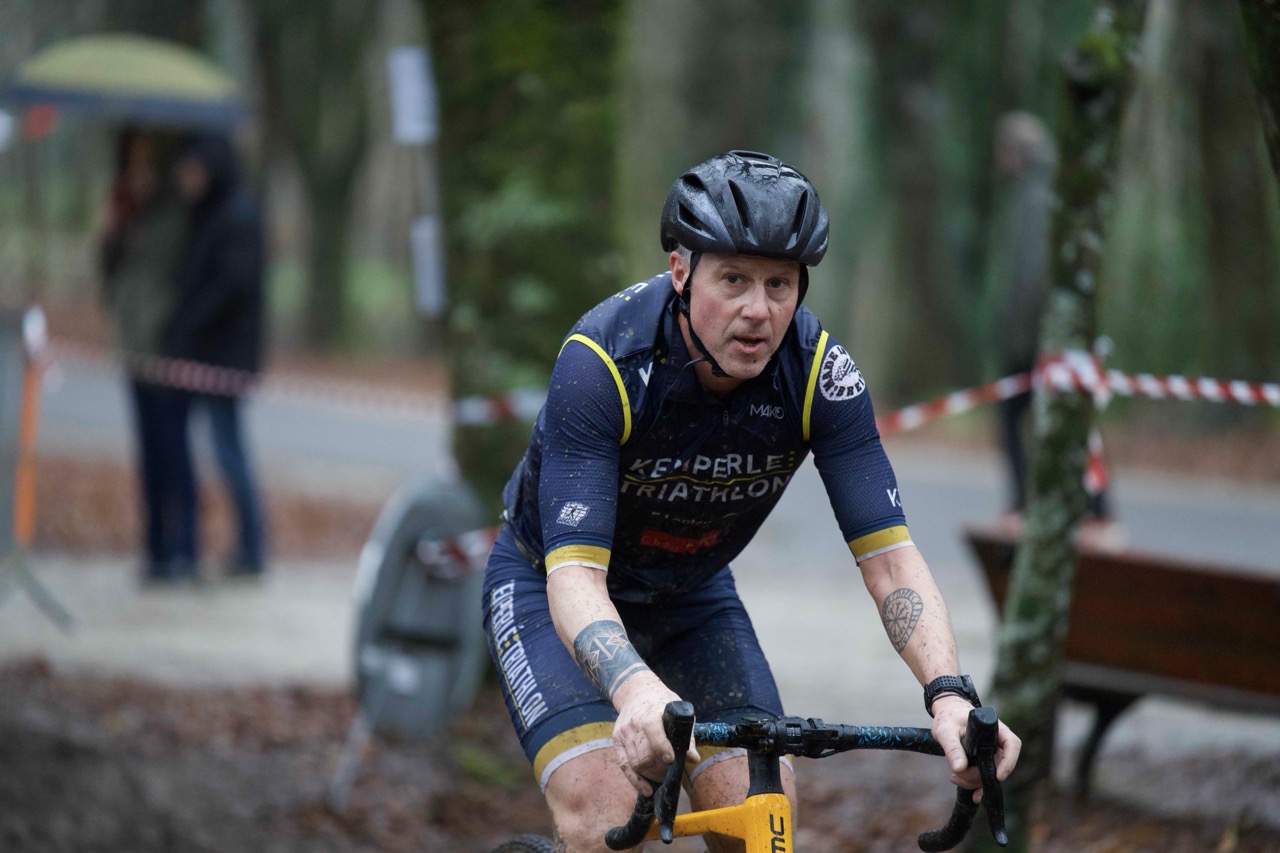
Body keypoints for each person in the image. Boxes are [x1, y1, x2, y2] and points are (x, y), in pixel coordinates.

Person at [482, 150, 1021, 851]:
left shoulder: (819, 375)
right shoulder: (603, 362)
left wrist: (950, 695)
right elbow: (575, 575)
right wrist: (633, 686)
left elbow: (891, 561)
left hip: (692, 601)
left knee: (763, 816)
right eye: (733, 279)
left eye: (779, 284)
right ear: (681, 272)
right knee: (605, 814)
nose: (758, 311)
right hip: (548, 589)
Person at [991, 113, 1119, 545]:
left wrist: (1019, 341)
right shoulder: (1058, 189)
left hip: (1040, 336)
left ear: (1014, 153)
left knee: (1017, 415)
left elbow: (1030, 278)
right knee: (1071, 414)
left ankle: (1027, 506)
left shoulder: (1033, 198)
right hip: (1065, 329)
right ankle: (1098, 509)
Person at [99, 128, 198, 584]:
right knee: (148, 455)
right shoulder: (126, 207)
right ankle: (155, 549)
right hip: (133, 346)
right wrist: (115, 228)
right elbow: (111, 274)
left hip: (168, 349)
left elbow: (183, 274)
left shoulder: (177, 211)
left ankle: (184, 550)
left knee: (174, 452)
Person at [167, 133, 268, 578]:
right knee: (224, 451)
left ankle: (252, 550)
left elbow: (231, 285)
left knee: (230, 453)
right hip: (211, 352)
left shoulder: (235, 213)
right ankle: (244, 549)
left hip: (225, 356)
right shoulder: (213, 211)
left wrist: (188, 323)